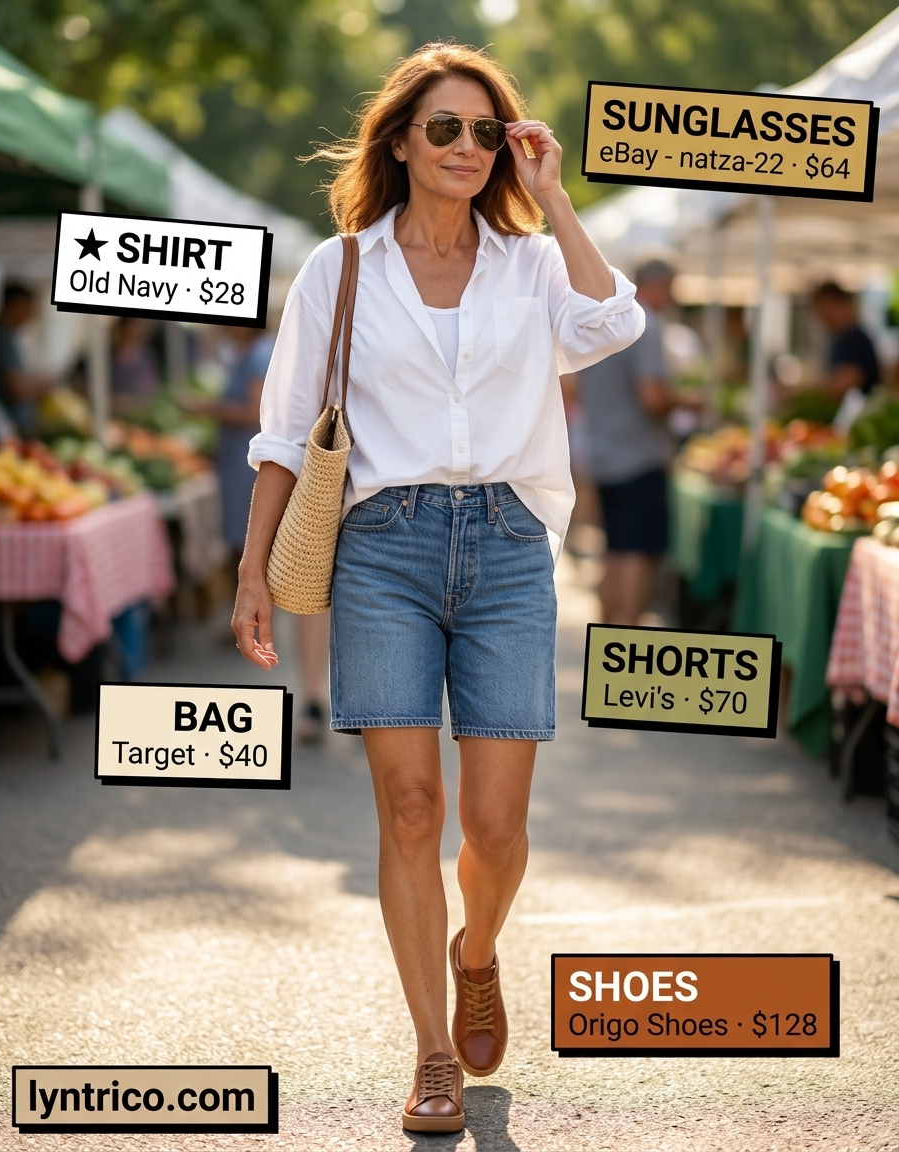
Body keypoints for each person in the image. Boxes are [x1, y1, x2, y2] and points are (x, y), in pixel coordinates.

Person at [233, 44, 641, 1131]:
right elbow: (282, 433)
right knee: (411, 808)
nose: (466, 148)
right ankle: (429, 1053)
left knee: (496, 828)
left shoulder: (529, 262)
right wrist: (252, 572)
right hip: (383, 547)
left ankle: (478, 950)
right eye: (444, 129)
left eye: (485, 131)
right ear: (402, 143)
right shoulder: (338, 270)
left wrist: (553, 196)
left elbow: (612, 322)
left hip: (508, 545)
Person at [184, 327, 330, 741]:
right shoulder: (265, 352)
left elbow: (267, 423)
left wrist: (207, 408)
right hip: (311, 479)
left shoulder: (267, 353)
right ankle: (319, 697)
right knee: (313, 593)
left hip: (311, 480)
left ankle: (323, 697)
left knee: (314, 592)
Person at [568, 259, 693, 626]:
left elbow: (574, 388)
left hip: (602, 452)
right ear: (658, 285)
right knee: (638, 553)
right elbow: (652, 397)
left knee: (615, 551)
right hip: (638, 456)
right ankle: (625, 636)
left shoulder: (597, 323)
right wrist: (685, 401)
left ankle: (606, 633)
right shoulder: (646, 325)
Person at [0, 283, 50, 430]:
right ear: (15, 305)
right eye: (29, 306)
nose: (33, 313)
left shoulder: (3, 337)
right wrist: (45, 385)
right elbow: (17, 389)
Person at [811, 281, 880, 399]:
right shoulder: (840, 339)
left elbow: (850, 380)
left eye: (826, 311)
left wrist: (815, 390)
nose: (823, 319)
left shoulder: (856, 339)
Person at [111, 317, 161, 415]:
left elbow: (152, 391)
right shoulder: (105, 357)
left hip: (136, 416)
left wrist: (132, 402)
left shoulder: (147, 358)